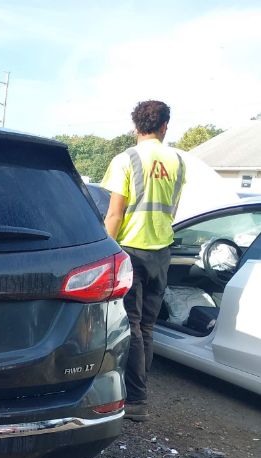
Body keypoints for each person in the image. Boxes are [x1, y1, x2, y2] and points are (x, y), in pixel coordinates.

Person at [102, 100, 186, 422]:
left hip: (131, 251)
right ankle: (140, 394)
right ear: (165, 125)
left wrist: (103, 251)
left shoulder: (126, 159)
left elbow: (114, 213)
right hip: (162, 252)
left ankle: (135, 400)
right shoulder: (179, 161)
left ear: (135, 126)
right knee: (147, 327)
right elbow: (172, 209)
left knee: (132, 325)